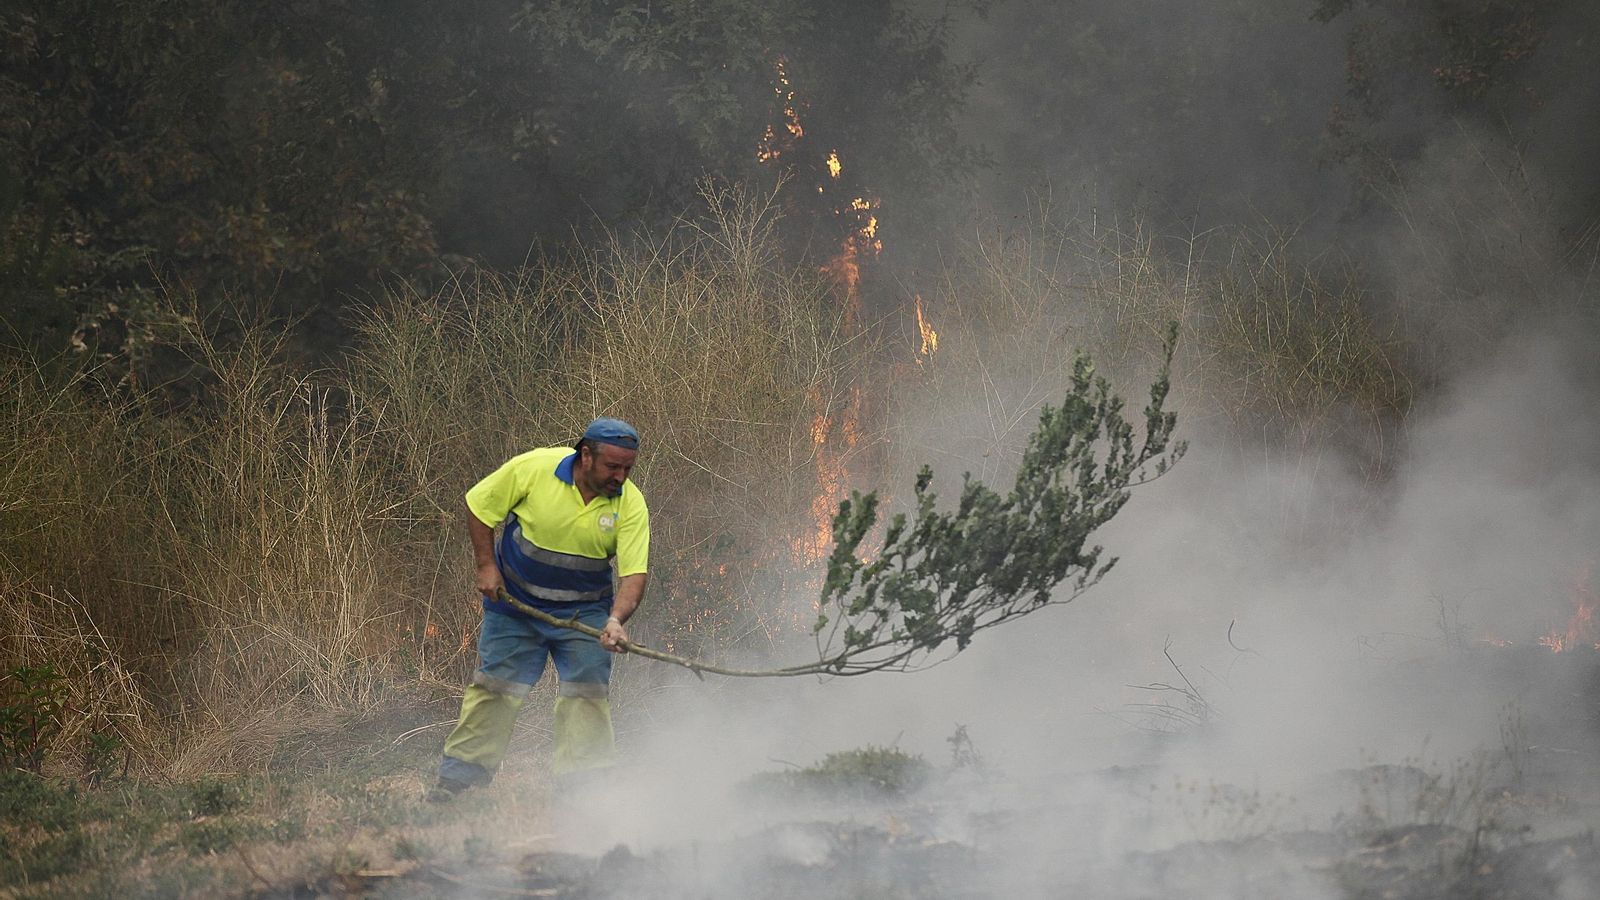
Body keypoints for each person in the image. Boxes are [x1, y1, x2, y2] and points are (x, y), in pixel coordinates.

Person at [431, 416, 649, 799]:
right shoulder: (534, 468)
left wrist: (615, 620)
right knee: (495, 689)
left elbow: (633, 575)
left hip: (584, 614)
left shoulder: (630, 504)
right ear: (586, 455)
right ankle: (460, 781)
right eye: (612, 466)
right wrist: (486, 567)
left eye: (627, 469)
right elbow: (479, 506)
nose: (620, 477)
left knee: (587, 694)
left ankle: (585, 792)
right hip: (515, 607)